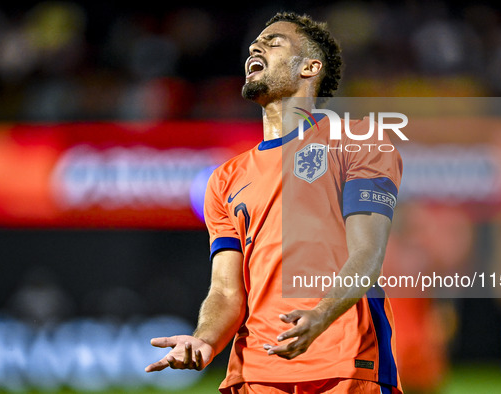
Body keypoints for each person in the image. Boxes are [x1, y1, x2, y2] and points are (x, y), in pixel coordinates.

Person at [145, 12, 403, 394]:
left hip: (342, 365)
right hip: (255, 375)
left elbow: (367, 254)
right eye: (254, 44)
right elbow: (226, 292)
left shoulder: (360, 142)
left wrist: (320, 316)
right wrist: (205, 338)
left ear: (310, 67)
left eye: (274, 42)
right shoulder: (225, 179)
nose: (256, 47)